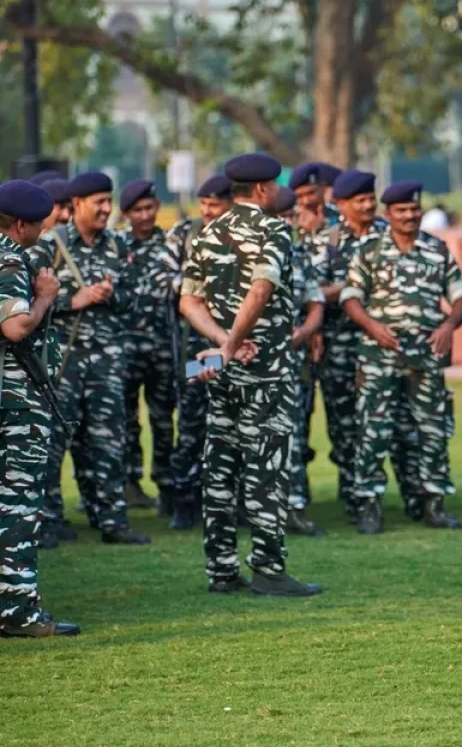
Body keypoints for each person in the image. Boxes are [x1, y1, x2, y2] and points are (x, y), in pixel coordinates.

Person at [179, 152, 321, 597]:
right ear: (262, 189)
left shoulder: (207, 233)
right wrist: (232, 343)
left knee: (220, 469)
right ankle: (268, 568)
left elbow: (188, 301)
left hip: (221, 372)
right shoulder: (273, 229)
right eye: (275, 186)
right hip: (265, 372)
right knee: (267, 469)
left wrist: (223, 344)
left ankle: (221, 569)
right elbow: (261, 289)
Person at [0, 181, 79, 637]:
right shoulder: (9, 260)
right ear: (20, 224)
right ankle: (19, 613)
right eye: (39, 223)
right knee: (16, 505)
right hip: (16, 400)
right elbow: (16, 326)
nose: (44, 229)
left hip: (3, 398)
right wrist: (44, 297)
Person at [342, 180, 462, 534]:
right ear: (388, 214)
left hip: (426, 356)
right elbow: (350, 298)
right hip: (379, 354)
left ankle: (434, 504)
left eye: (414, 209)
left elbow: (461, 297)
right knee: (373, 430)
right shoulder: (369, 249)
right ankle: (369, 504)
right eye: (401, 210)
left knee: (434, 430)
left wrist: (449, 325)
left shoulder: (436, 249)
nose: (409, 216)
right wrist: (372, 326)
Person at [30, 173, 151, 546]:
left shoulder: (117, 244)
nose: (105, 208)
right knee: (53, 443)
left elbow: (135, 297)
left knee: (107, 442)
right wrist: (73, 300)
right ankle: (48, 523)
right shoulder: (49, 245)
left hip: (106, 362)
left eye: (108, 201)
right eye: (98, 201)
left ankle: (111, 519)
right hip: (62, 362)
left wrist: (111, 295)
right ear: (77, 204)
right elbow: (26, 305)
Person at [310, 170, 424, 526]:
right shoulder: (326, 241)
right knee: (346, 426)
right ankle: (355, 496)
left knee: (402, 423)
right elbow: (312, 291)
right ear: (341, 204)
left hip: (386, 347)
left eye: (370, 199)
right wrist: (353, 286)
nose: (367, 206)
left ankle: (415, 496)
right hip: (341, 348)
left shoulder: (388, 234)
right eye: (359, 201)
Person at [163, 174, 233, 531]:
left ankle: (230, 502)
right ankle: (184, 500)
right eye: (203, 205)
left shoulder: (242, 237)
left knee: (232, 424)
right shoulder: (183, 234)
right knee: (191, 423)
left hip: (233, 345)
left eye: (214, 206)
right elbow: (165, 280)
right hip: (194, 346)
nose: (206, 212)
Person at [117, 179, 179, 513]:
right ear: (127, 214)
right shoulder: (115, 246)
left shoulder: (170, 245)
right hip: (125, 349)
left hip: (162, 349)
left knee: (163, 419)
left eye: (149, 208)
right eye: (138, 210)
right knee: (126, 420)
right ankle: (130, 484)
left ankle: (167, 484)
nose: (145, 215)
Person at [271, 185, 326, 537]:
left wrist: (304, 332)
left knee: (292, 434)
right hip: (250, 360)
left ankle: (293, 507)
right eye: (283, 217)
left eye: (292, 217)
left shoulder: (299, 255)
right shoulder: (241, 254)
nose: (289, 223)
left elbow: (315, 303)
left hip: (290, 361)